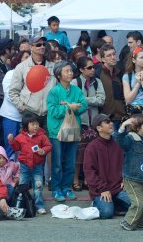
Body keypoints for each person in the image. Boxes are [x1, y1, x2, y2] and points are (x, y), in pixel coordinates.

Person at [47, 61, 87, 202]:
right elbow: (53, 112)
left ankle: (67, 188)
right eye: (67, 71)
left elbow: (83, 105)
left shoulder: (76, 90)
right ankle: (57, 189)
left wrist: (69, 106)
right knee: (57, 163)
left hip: (73, 129)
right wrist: (70, 107)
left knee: (70, 162)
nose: (70, 73)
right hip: (57, 131)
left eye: (71, 71)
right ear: (59, 75)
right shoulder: (54, 92)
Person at [83, 114, 131, 219]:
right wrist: (103, 189)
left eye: (111, 121)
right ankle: (100, 204)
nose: (111, 123)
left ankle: (115, 204)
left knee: (138, 204)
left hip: (119, 188)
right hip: (100, 190)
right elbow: (89, 172)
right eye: (107, 122)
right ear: (99, 128)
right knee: (106, 213)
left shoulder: (119, 143)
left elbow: (128, 163)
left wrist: (126, 178)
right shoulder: (92, 147)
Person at [71, 57, 105, 192]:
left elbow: (101, 100)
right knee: (78, 154)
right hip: (80, 122)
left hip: (94, 123)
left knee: (91, 154)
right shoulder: (75, 82)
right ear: (81, 69)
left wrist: (84, 100)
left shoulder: (97, 82)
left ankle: (87, 179)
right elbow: (74, 101)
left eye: (93, 67)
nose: (93, 70)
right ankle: (75, 180)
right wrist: (92, 100)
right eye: (89, 68)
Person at [8, 114, 51, 214]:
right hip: (24, 166)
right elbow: (16, 148)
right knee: (23, 185)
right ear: (26, 126)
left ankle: (39, 205)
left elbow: (49, 146)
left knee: (38, 186)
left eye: (36, 124)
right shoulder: (20, 137)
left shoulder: (42, 136)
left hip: (37, 165)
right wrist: (11, 141)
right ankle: (22, 204)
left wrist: (43, 150)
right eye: (32, 124)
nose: (35, 126)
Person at [0, 51, 29, 160]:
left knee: (24, 147)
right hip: (10, 115)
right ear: (19, 60)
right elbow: (9, 94)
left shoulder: (32, 74)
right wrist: (23, 105)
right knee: (10, 145)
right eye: (25, 57)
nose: (28, 60)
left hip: (26, 117)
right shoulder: (11, 73)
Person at [99, 44, 125, 130]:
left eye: (114, 54)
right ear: (103, 59)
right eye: (109, 55)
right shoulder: (97, 74)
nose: (113, 57)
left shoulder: (120, 72)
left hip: (120, 116)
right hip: (105, 117)